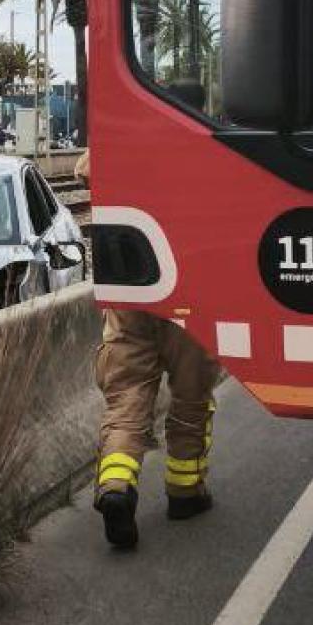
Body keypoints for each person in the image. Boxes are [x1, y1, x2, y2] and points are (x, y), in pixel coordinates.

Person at [78, 149, 223, 549]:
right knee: (191, 398)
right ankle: (185, 493)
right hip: (188, 288)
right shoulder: (198, 147)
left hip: (130, 288)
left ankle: (117, 487)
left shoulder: (119, 141)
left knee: (126, 400)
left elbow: (85, 170)